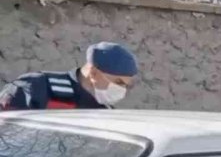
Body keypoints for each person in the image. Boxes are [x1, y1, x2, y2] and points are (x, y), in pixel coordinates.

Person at [0, 41, 138, 110]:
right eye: (119, 82)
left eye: (126, 86)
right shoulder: (35, 87)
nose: (122, 90)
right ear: (93, 73)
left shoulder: (106, 112)